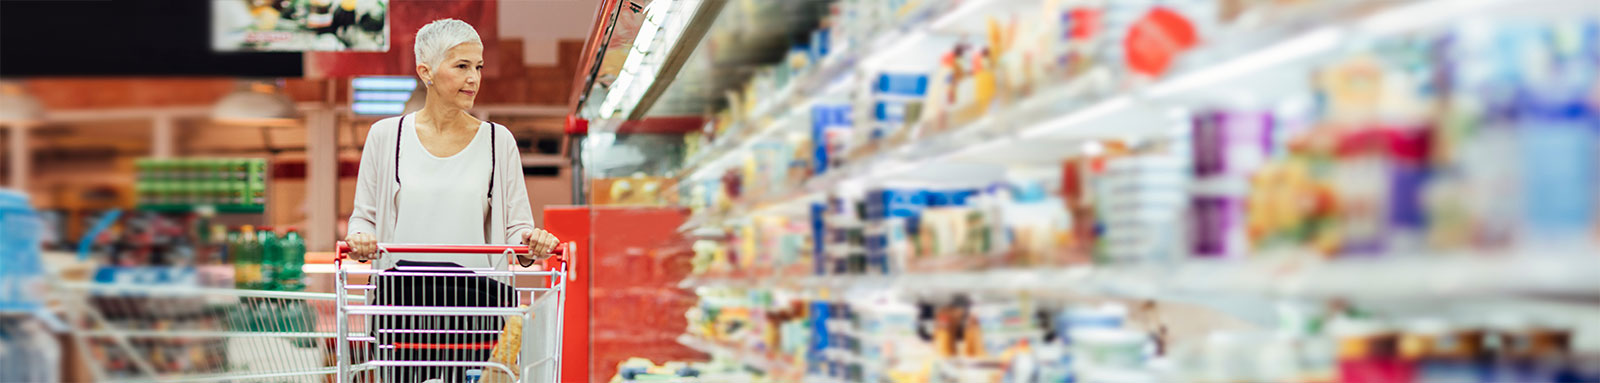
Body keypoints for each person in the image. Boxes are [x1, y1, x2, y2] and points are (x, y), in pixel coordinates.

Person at [344, 18, 558, 269]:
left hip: (475, 301)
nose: (473, 78)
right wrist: (360, 239)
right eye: (461, 66)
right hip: (401, 298)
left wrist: (532, 241)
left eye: (478, 67)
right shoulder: (385, 136)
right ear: (426, 72)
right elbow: (363, 219)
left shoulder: (498, 141)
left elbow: (517, 230)